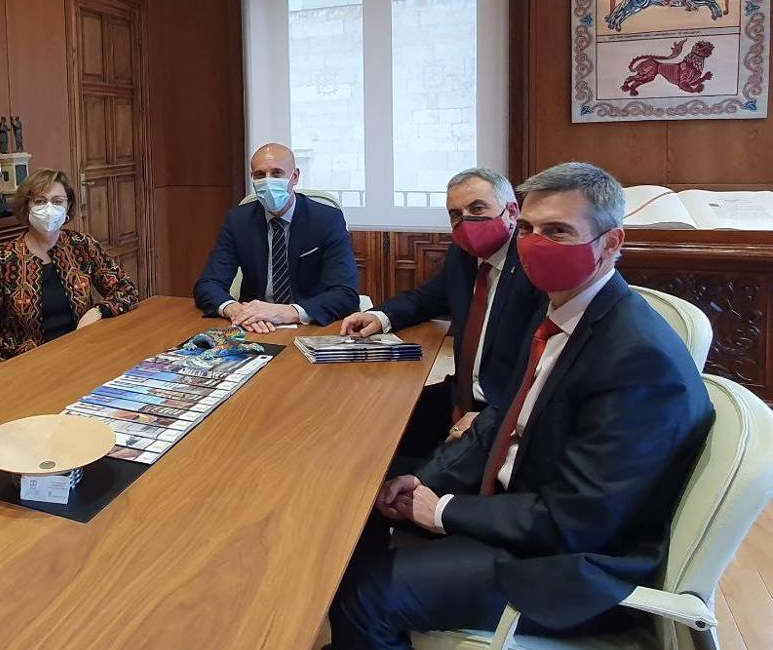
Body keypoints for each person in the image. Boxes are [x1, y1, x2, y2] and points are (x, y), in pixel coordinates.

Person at [326, 162, 713, 650]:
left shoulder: (638, 359)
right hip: (520, 509)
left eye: (558, 231)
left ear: (610, 243)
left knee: (365, 595)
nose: (533, 244)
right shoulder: (564, 315)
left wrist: (443, 509)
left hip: (571, 567)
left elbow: (578, 521)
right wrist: (425, 482)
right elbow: (502, 419)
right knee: (357, 517)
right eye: (528, 229)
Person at [341, 168, 545, 457]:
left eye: (477, 208)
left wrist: (493, 420)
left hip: (502, 410)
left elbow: (538, 369)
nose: (466, 221)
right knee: (371, 425)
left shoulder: (534, 268)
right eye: (455, 214)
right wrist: (379, 316)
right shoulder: (463, 255)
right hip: (460, 395)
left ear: (512, 212)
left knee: (403, 470)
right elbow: (426, 299)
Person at [0, 169, 139, 374]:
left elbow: (126, 289)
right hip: (25, 367)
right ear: (26, 206)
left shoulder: (82, 245)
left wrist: (98, 311)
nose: (49, 209)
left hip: (82, 355)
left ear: (68, 205)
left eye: (57, 201)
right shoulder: (3, 260)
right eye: (40, 201)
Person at [193, 143, 360, 332]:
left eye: (277, 173)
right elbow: (208, 284)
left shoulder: (327, 220)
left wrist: (286, 312)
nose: (268, 181)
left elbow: (345, 294)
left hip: (310, 326)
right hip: (254, 327)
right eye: (260, 175)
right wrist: (236, 310)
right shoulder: (239, 220)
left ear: (294, 177)